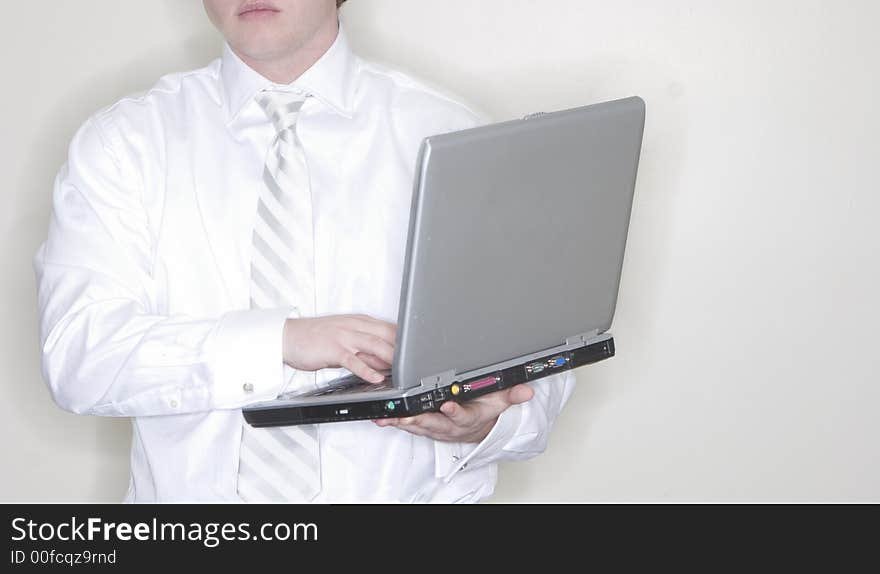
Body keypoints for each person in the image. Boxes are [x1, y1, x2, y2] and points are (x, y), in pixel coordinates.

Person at [33, 0, 575, 502]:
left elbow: (540, 366)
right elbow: (79, 358)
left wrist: (484, 423)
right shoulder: (122, 144)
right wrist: (280, 342)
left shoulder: (450, 133)